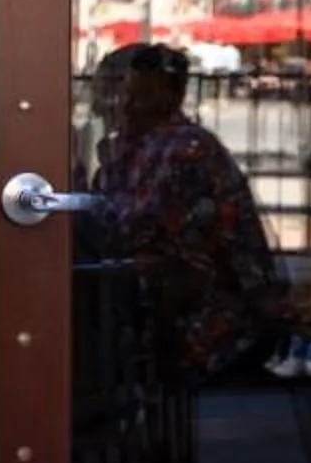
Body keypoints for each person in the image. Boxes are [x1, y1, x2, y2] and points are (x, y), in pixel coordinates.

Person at [83, 41, 291, 383]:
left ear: (165, 96)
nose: (113, 105)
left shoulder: (186, 151)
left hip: (203, 325)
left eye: (126, 92)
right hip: (145, 310)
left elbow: (138, 229)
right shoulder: (124, 149)